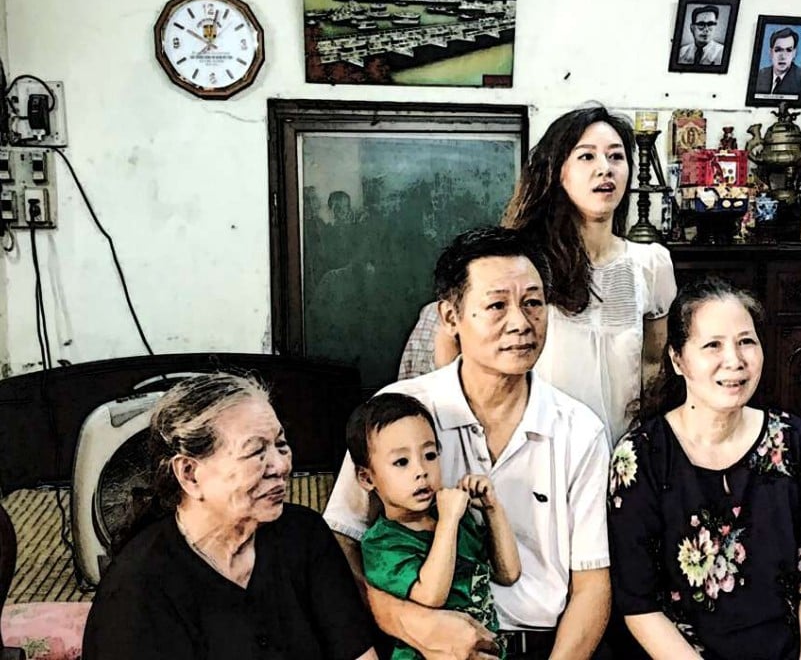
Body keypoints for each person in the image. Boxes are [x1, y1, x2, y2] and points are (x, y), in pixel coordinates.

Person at [325, 226, 612, 660]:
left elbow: (592, 586)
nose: (520, 322)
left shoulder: (579, 429)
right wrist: (414, 623)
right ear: (450, 317)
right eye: (496, 305)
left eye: (533, 303)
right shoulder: (399, 413)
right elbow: (340, 544)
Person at [402, 107, 676, 445]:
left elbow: (653, 363)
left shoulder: (651, 263)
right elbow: (452, 343)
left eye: (616, 157)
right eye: (586, 157)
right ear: (557, 172)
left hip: (623, 453)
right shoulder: (525, 261)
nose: (605, 168)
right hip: (537, 448)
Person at [607, 278, 801, 659]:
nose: (734, 361)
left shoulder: (799, 443)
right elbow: (639, 603)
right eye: (712, 345)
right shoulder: (642, 456)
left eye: (746, 341)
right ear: (677, 358)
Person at [83, 372, 377, 660]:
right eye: (255, 452)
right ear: (190, 474)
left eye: (281, 445)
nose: (280, 466)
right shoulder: (137, 590)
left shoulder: (305, 535)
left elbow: (357, 652)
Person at [348, 393, 521, 660]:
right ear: (367, 477)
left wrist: (492, 509)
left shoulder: (455, 517)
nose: (421, 470)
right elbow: (430, 595)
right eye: (401, 462)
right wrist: (449, 521)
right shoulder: (382, 542)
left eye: (430, 455)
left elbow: (508, 573)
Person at [754, 27, 801, 95]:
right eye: (778, 50)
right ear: (771, 52)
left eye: (788, 50)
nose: (783, 56)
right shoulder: (760, 75)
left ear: (794, 53)